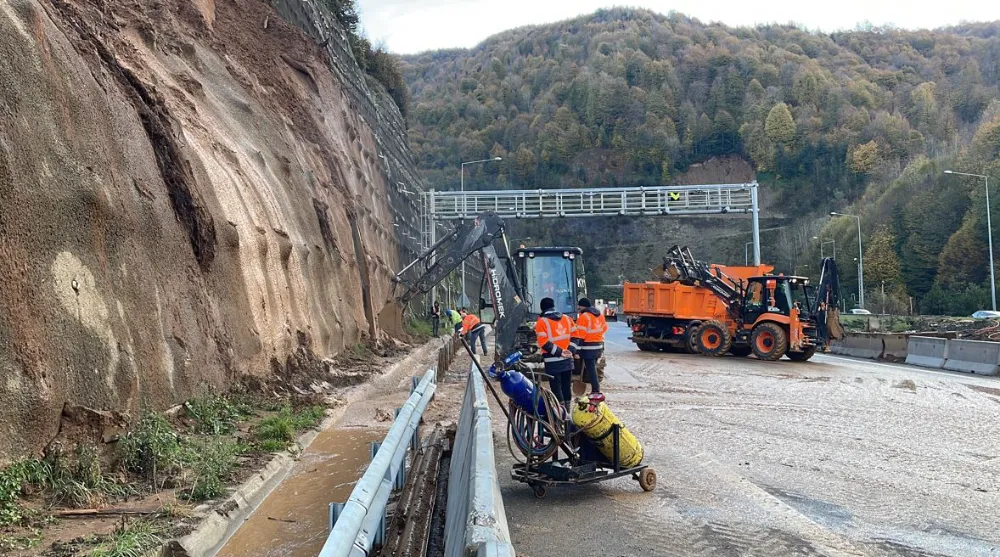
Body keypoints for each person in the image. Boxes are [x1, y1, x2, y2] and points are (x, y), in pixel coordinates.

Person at [535, 297, 578, 409]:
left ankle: (560, 413)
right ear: (554, 306)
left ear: (542, 308)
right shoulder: (567, 319)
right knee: (566, 385)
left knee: (556, 387)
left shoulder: (541, 322)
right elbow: (575, 337)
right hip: (568, 360)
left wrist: (560, 352)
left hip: (552, 360)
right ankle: (567, 412)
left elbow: (543, 342)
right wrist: (569, 351)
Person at [573, 297, 608, 395]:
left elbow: (580, 337)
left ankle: (596, 391)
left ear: (582, 306)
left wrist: (577, 352)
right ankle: (595, 389)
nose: (579, 308)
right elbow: (605, 328)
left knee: (591, 370)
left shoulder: (584, 317)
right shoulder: (599, 315)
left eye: (579, 306)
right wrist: (596, 336)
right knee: (593, 368)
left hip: (588, 347)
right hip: (598, 346)